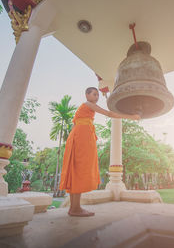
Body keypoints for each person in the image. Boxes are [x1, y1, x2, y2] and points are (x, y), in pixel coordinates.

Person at [59, 87, 140, 217]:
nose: (96, 97)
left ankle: (75, 208)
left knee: (77, 170)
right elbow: (109, 114)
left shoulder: (85, 109)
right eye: (94, 94)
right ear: (87, 95)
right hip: (81, 138)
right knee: (79, 170)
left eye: (97, 95)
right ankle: (75, 208)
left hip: (80, 137)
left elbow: (74, 126)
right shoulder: (88, 104)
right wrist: (131, 117)